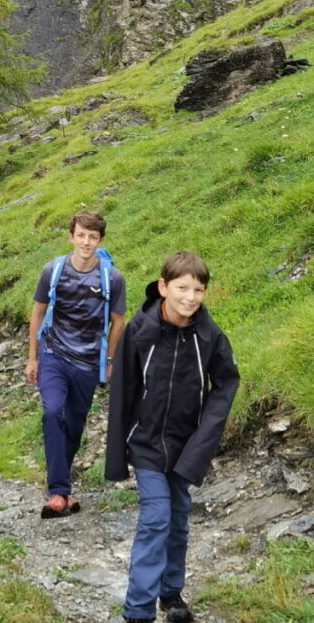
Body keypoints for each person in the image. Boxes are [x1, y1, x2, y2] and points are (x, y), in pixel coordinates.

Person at [105, 251, 240, 623]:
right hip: (146, 443)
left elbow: (226, 382)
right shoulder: (139, 330)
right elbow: (123, 392)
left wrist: (203, 441)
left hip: (187, 446)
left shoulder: (209, 336)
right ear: (163, 287)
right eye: (182, 287)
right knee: (156, 517)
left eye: (199, 289)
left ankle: (171, 593)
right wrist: (118, 452)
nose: (190, 297)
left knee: (179, 518)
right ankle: (138, 610)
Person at [26, 211, 126, 518]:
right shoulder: (52, 271)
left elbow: (118, 323)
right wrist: (32, 357)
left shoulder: (112, 278)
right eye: (81, 235)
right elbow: (37, 314)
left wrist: (108, 361)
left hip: (86, 363)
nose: (86, 242)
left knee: (73, 425)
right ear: (71, 236)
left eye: (92, 237)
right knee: (53, 412)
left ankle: (62, 489)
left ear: (100, 240)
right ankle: (58, 492)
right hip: (53, 355)